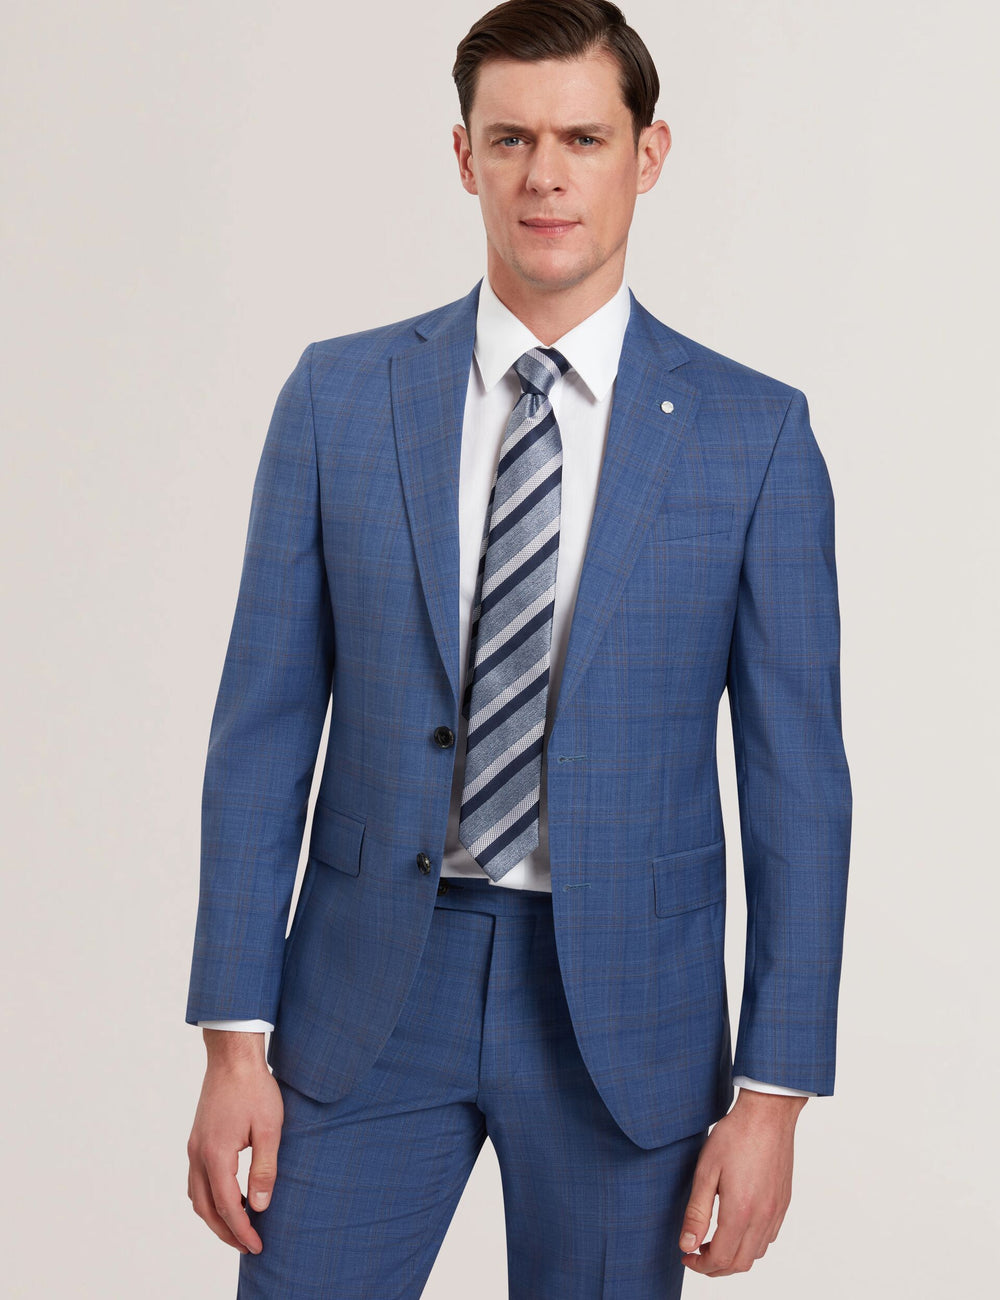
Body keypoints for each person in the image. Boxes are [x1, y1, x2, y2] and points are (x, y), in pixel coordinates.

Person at [185, 2, 852, 1295]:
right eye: (512, 140)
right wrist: (231, 1039)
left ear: (647, 155)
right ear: (465, 157)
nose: (546, 175)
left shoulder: (753, 436)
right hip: (365, 996)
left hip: (628, 1013)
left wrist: (775, 1097)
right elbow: (259, 733)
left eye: (583, 139)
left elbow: (800, 789)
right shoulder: (339, 398)